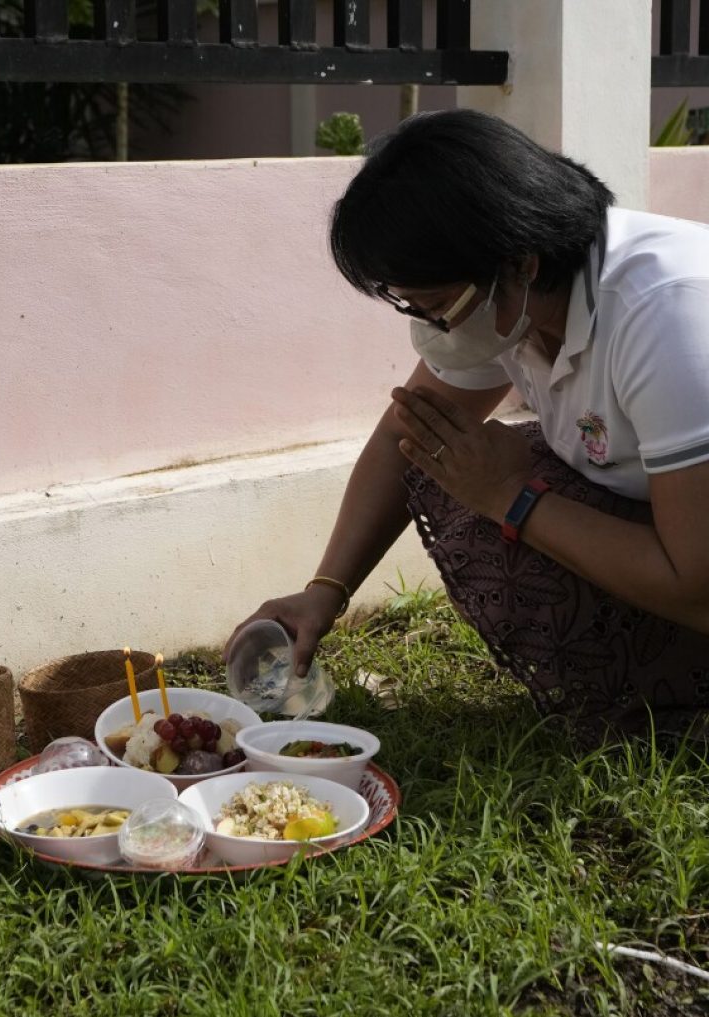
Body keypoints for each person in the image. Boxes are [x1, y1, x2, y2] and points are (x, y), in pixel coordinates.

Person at [227, 109, 709, 745]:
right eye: (412, 304)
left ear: (522, 261)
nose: (431, 327)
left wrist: (513, 496)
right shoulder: (514, 299)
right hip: (668, 533)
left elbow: (697, 586)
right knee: (445, 459)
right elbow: (409, 437)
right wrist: (326, 591)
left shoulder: (668, 314)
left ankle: (673, 708)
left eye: (437, 304)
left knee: (485, 478)